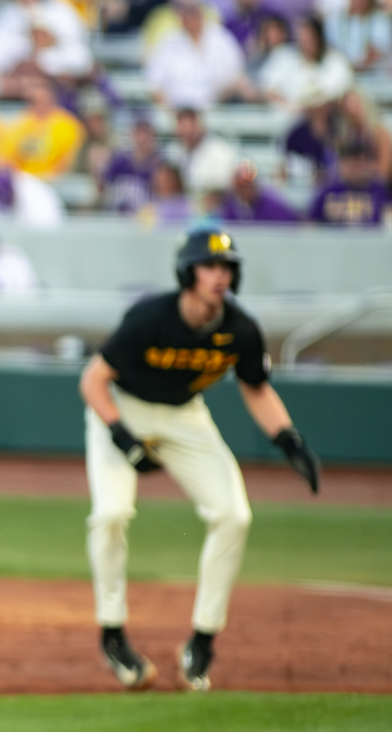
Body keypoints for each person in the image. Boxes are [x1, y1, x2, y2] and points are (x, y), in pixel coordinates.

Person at [78, 226, 320, 692]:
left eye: (227, 267)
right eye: (210, 266)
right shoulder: (150, 317)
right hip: (122, 408)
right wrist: (123, 436)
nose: (219, 276)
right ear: (188, 272)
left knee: (233, 515)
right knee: (111, 513)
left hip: (185, 416)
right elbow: (92, 380)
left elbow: (255, 386)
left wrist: (289, 439)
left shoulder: (239, 328)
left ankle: (202, 643)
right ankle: (113, 636)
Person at [0, 77, 83, 178]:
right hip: (24, 180)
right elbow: (5, 157)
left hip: (55, 181)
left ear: (52, 98)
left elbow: (70, 161)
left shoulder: (68, 125)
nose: (40, 104)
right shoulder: (18, 123)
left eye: (43, 99)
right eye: (36, 100)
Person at [307, 143, 387, 227]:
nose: (355, 170)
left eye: (359, 164)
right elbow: (311, 223)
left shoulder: (380, 193)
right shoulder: (329, 192)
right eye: (350, 164)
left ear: (370, 165)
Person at [215, 161, 302, 223]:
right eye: (242, 186)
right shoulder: (229, 206)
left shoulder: (274, 206)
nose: (245, 191)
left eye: (248, 186)